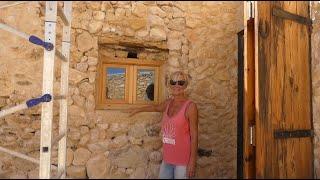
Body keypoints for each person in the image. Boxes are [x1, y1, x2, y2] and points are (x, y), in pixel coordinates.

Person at [124, 71, 198, 179]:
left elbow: (194, 136)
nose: (177, 85)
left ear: (185, 85)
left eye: (181, 82)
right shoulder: (168, 103)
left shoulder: (190, 107)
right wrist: (137, 109)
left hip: (182, 161)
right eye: (173, 82)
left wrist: (192, 162)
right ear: (170, 85)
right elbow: (155, 107)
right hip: (167, 159)